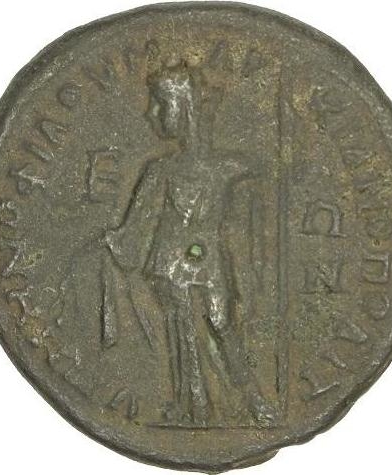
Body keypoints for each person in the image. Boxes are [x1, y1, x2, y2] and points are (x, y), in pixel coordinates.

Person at [105, 60, 277, 426]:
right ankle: (194, 406)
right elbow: (135, 227)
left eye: (159, 104)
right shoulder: (160, 171)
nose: (150, 113)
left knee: (221, 322)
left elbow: (265, 182)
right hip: (169, 264)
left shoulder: (228, 168)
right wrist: (112, 244)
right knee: (183, 331)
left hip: (209, 260)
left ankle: (251, 399)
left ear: (183, 109)